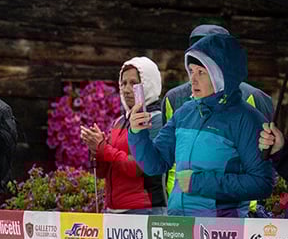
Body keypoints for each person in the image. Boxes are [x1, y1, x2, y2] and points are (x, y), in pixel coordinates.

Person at [129, 33, 274, 217]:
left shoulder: (247, 119)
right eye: (191, 71)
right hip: (180, 229)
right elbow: (155, 164)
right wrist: (137, 133)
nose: (192, 80)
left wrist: (199, 182)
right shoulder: (184, 113)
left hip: (221, 234)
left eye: (201, 73)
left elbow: (262, 183)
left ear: (221, 75)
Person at [162, 24, 273, 202]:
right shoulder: (173, 98)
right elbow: (166, 155)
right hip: (181, 206)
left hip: (233, 209)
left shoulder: (252, 99)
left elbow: (263, 163)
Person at [80, 58, 166, 215]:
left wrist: (103, 148)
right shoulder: (119, 122)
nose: (126, 89)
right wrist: (95, 150)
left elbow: (139, 167)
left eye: (133, 83)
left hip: (145, 211)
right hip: (115, 212)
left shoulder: (155, 119)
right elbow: (102, 173)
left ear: (148, 85)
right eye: (123, 83)